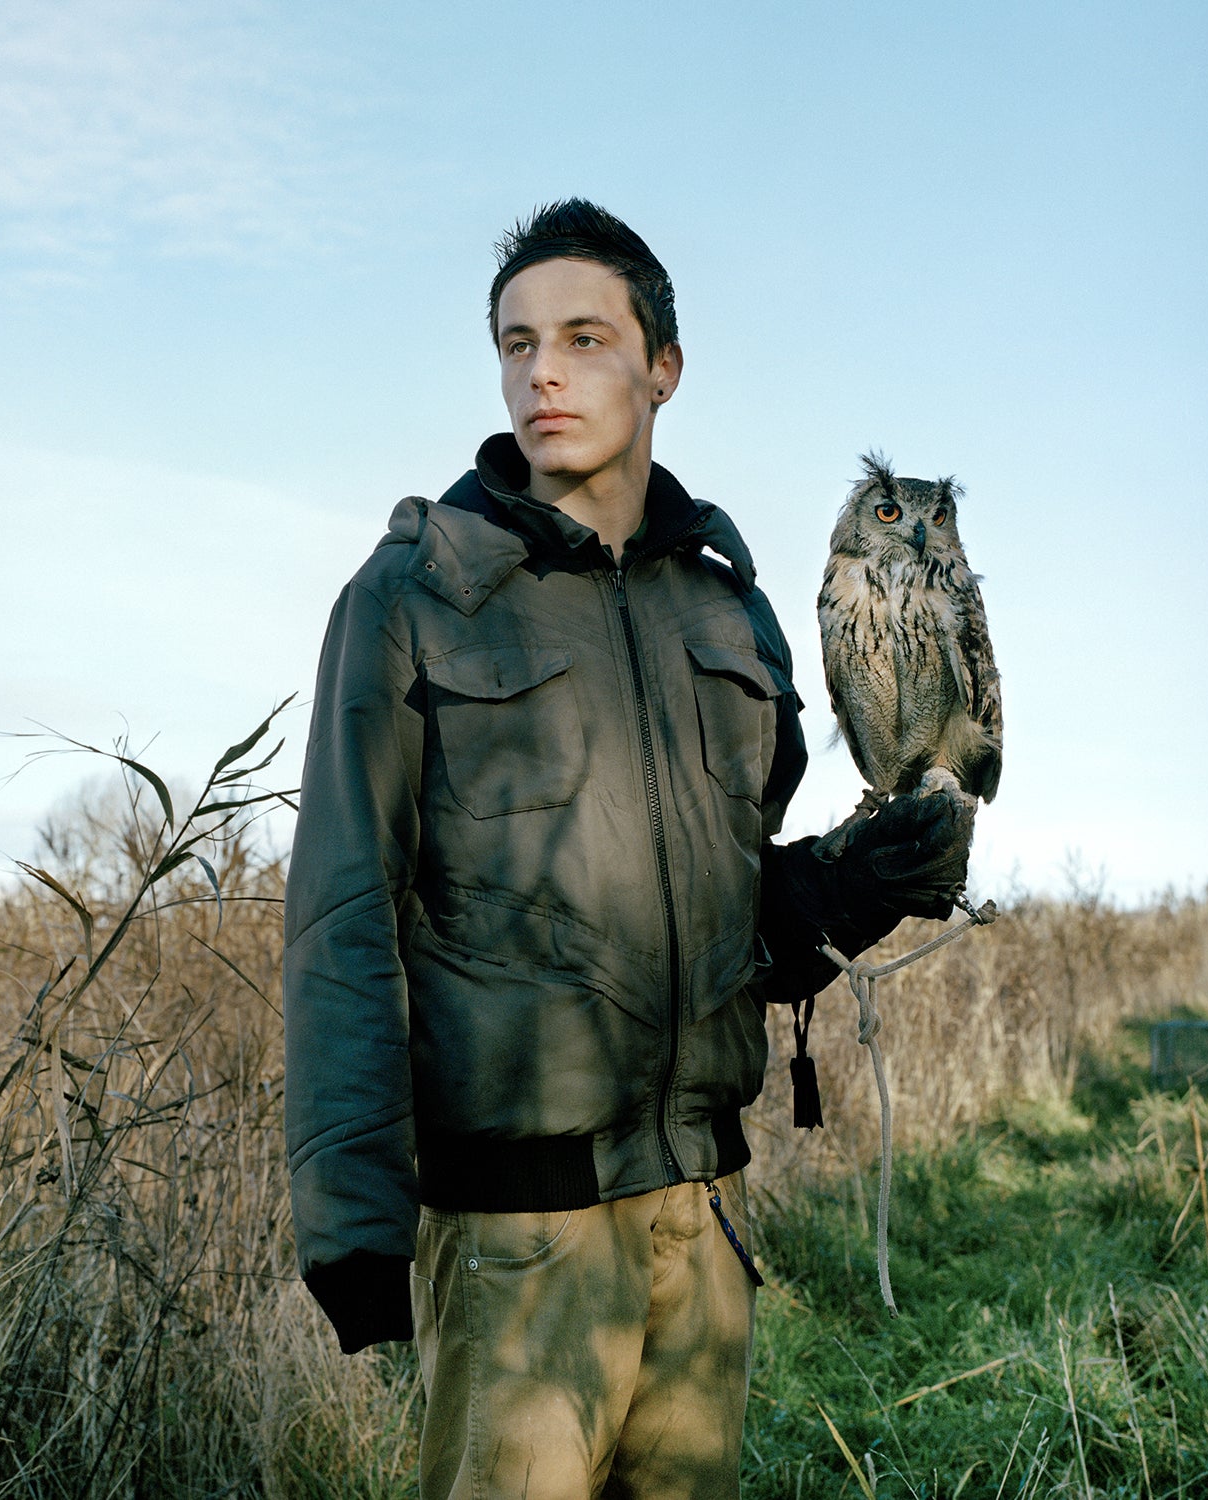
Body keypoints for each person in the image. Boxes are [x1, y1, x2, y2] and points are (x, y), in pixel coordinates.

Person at [283, 199, 969, 1499]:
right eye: (515, 341)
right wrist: (357, 1229)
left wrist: (848, 887)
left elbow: (725, 909)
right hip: (517, 1250)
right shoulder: (416, 598)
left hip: (701, 1230)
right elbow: (340, 918)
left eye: (584, 337)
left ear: (662, 368)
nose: (541, 371)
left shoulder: (727, 607)